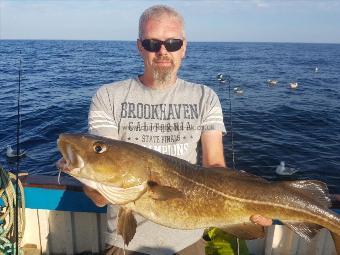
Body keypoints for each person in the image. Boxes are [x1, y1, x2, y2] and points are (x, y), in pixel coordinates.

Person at [58, 5, 272, 255]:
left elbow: (215, 166)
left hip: (187, 241)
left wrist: (254, 200)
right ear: (139, 47)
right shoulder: (108, 97)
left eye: (172, 43)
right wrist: (87, 177)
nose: (162, 51)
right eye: (152, 43)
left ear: (184, 47)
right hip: (124, 243)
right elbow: (101, 189)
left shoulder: (206, 97)